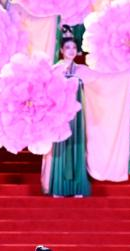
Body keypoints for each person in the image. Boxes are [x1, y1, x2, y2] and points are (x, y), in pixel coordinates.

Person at [42, 27, 91, 198]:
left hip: (76, 115)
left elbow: (99, 84)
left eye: (74, 48)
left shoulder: (82, 70)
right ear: (61, 50)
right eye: (67, 47)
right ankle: (59, 187)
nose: (71, 50)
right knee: (60, 148)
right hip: (59, 115)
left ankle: (77, 187)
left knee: (77, 145)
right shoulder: (54, 70)